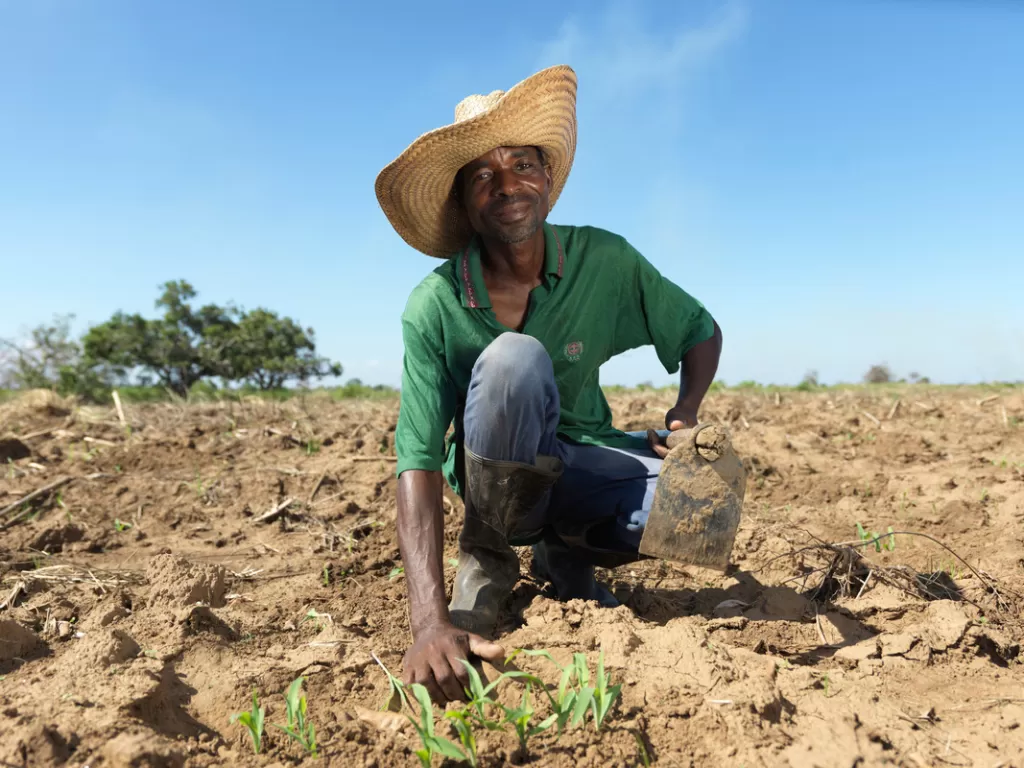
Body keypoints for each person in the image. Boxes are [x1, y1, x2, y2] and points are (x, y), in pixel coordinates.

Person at [374, 65, 722, 705]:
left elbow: (698, 329)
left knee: (706, 497)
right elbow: (417, 459)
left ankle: (566, 554)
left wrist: (685, 414)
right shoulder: (435, 304)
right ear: (465, 204)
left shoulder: (603, 258)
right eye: (483, 175)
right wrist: (428, 620)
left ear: (546, 177)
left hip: (581, 456)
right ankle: (489, 553)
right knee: (514, 361)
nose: (507, 185)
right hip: (490, 481)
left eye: (522, 165)